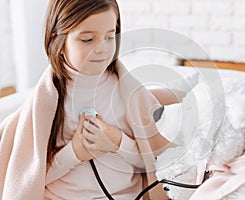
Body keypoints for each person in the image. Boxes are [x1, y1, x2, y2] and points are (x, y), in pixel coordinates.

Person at [0, 0, 175, 199]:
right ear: (57, 42)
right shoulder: (46, 102)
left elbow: (156, 163)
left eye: (109, 37)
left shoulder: (130, 94)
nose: (102, 49)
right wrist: (74, 153)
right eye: (88, 39)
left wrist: (118, 142)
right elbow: (30, 178)